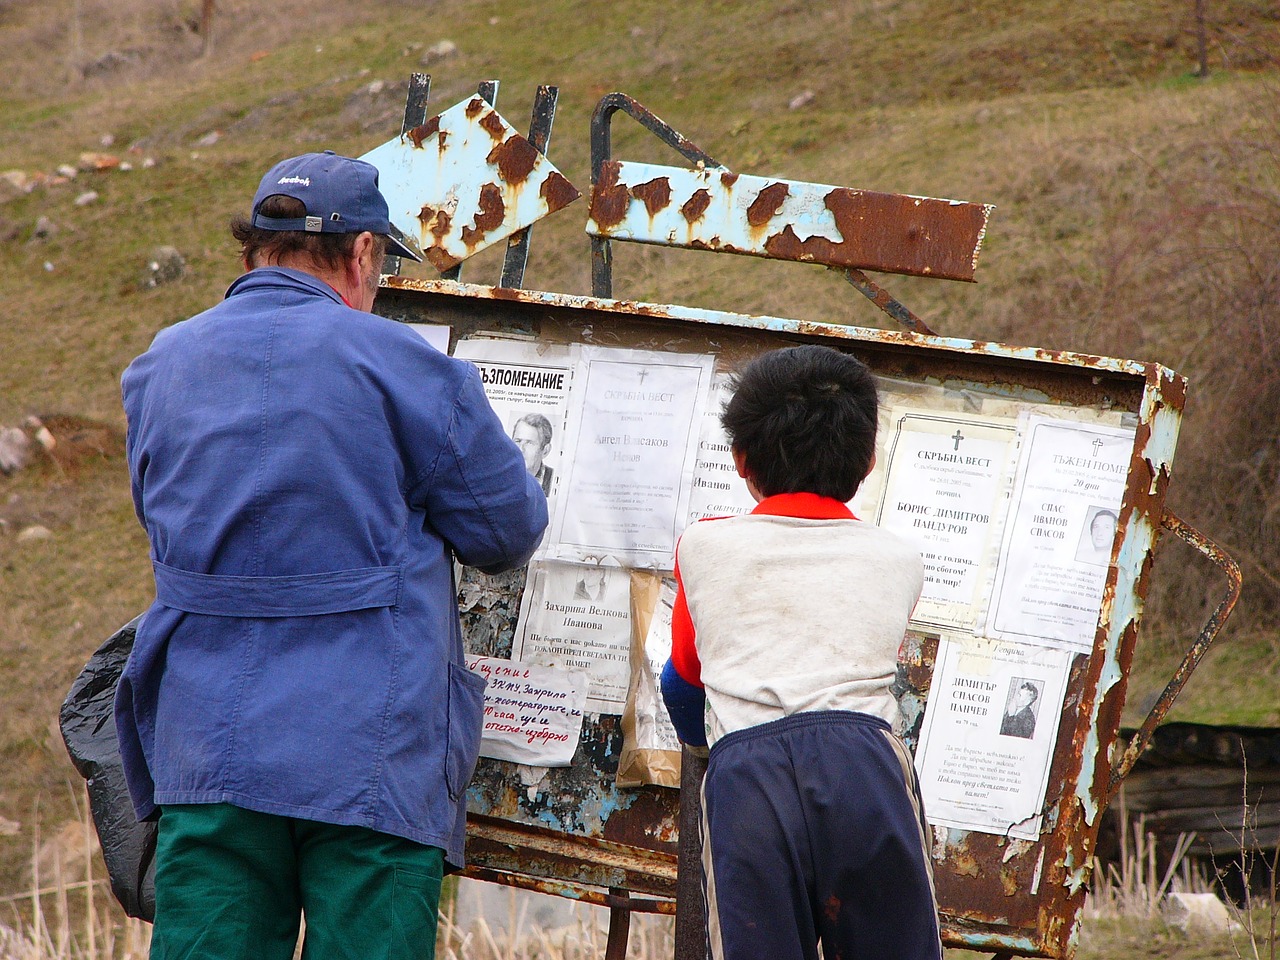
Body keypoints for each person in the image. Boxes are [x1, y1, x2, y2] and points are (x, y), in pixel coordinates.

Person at [116, 151, 548, 960]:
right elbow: (507, 531)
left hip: (207, 746)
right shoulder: (410, 369)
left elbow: (160, 518)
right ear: (362, 256)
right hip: (369, 757)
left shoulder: (158, 367)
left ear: (250, 254)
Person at [660, 344, 941, 960]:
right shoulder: (900, 560)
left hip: (748, 775)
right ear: (867, 460)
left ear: (739, 460)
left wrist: (708, 743)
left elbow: (683, 682)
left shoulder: (704, 546)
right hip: (865, 765)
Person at [512, 412, 555, 495]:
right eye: (517, 441)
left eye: (529, 443)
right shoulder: (501, 476)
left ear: (545, 451)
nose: (521, 449)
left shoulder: (554, 479)